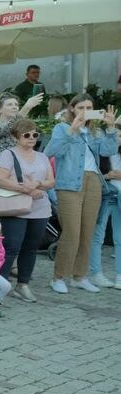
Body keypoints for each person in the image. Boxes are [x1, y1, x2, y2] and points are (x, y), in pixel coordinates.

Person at [45, 97, 119, 293]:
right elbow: (51, 152)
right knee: (71, 233)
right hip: (69, 183)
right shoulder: (62, 128)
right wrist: (72, 129)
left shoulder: (95, 131)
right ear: (72, 108)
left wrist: (111, 128)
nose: (85, 111)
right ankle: (59, 277)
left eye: (89, 107)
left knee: (88, 232)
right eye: (81, 107)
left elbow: (108, 150)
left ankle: (80, 276)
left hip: (93, 181)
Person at [0, 118, 55, 302]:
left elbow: (51, 181)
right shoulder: (7, 154)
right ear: (16, 137)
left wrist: (38, 184)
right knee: (11, 246)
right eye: (26, 135)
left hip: (40, 208)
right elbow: (0, 179)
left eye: (35, 134)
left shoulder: (42, 156)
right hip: (16, 207)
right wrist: (24, 188)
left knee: (31, 247)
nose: (31, 138)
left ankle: (23, 284)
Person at [89, 149, 121, 289]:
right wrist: (107, 175)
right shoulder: (100, 153)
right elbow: (91, 175)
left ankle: (120, 276)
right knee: (97, 236)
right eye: (116, 135)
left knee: (119, 239)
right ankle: (96, 273)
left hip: (119, 197)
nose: (118, 139)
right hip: (104, 196)